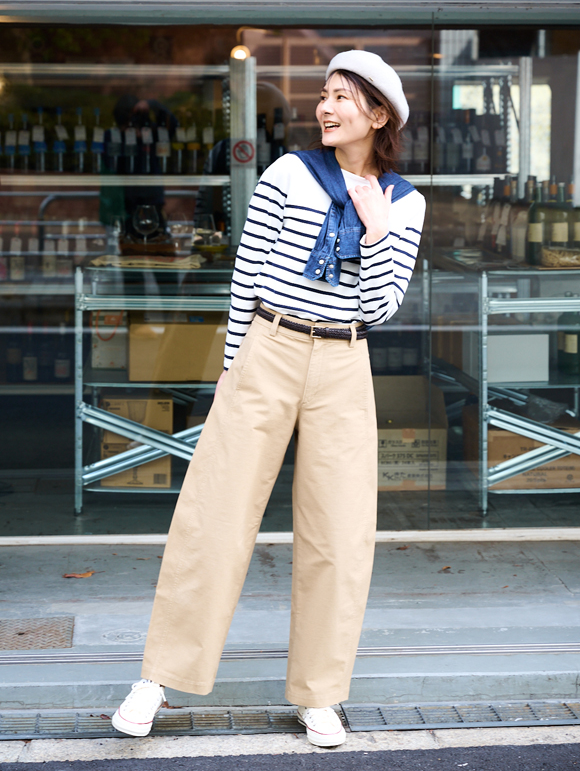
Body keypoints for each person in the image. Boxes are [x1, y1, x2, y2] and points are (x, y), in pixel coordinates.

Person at [111, 50, 426, 748]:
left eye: (343, 97)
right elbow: (247, 275)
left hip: (344, 359)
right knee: (215, 514)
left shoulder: (405, 203)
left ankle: (320, 693)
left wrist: (376, 231)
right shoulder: (287, 173)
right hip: (270, 345)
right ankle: (158, 678)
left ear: (379, 115)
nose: (326, 107)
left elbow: (380, 308)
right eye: (326, 93)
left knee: (339, 533)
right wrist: (232, 366)